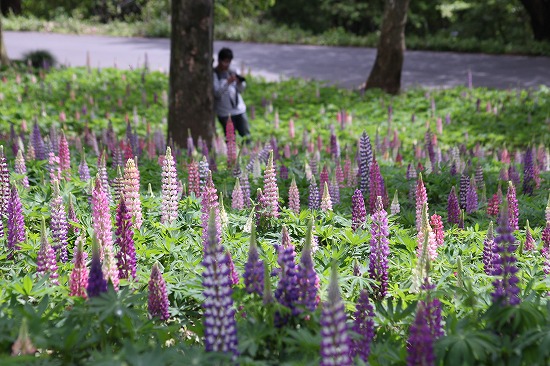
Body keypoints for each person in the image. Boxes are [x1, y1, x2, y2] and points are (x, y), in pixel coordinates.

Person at [213, 48, 250, 139]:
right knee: (230, 140)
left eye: (229, 62)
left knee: (246, 137)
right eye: (225, 62)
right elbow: (216, 93)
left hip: (239, 110)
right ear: (219, 60)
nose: (227, 65)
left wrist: (239, 82)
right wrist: (227, 82)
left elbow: (241, 90)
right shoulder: (214, 74)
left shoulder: (233, 71)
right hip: (225, 113)